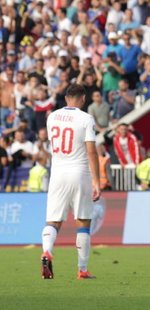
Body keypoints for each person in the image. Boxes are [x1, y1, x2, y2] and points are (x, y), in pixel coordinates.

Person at [40, 84, 101, 280]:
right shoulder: (85, 118)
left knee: (53, 221)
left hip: (57, 173)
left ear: (66, 98)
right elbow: (91, 151)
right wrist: (97, 181)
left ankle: (47, 251)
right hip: (79, 172)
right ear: (83, 98)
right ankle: (82, 269)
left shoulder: (52, 117)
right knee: (83, 221)